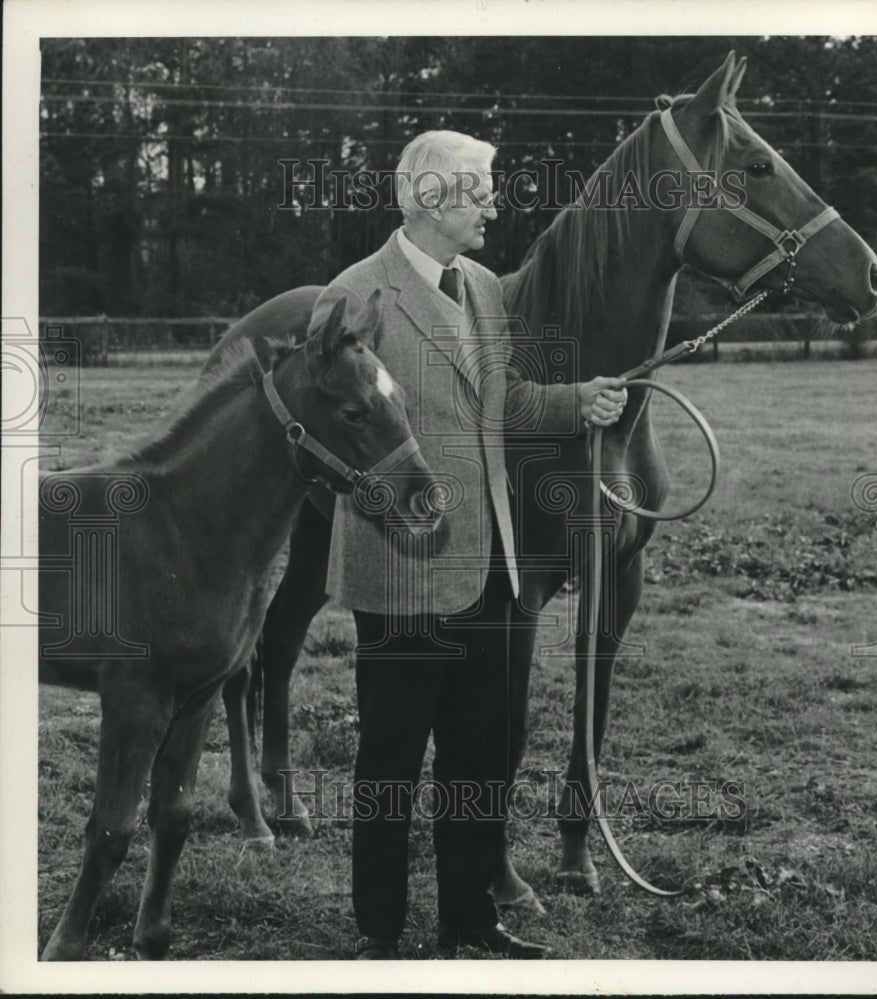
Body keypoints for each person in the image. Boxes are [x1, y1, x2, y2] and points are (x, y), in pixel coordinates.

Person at [306, 130, 627, 960]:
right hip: (404, 570)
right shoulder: (350, 295)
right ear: (432, 196)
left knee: (483, 756)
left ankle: (470, 923)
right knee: (389, 764)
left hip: (497, 570)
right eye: (481, 189)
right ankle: (379, 931)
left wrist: (575, 401)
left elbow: (502, 400)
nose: (494, 202)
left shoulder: (485, 287)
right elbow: (327, 434)